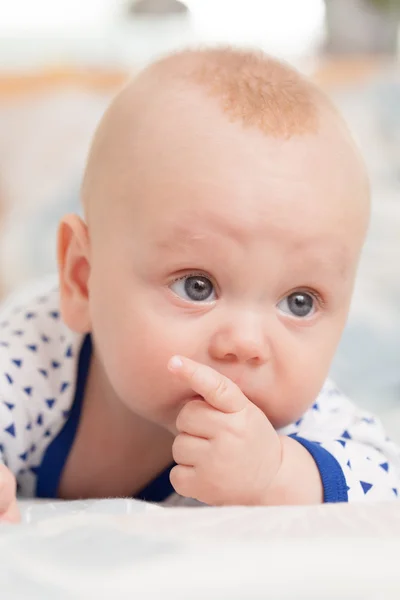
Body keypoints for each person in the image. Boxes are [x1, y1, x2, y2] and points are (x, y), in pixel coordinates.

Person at [0, 48, 399, 523]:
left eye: (299, 301)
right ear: (84, 280)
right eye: (196, 286)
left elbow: (387, 485)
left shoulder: (292, 424)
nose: (247, 344)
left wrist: (278, 475)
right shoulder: (29, 357)